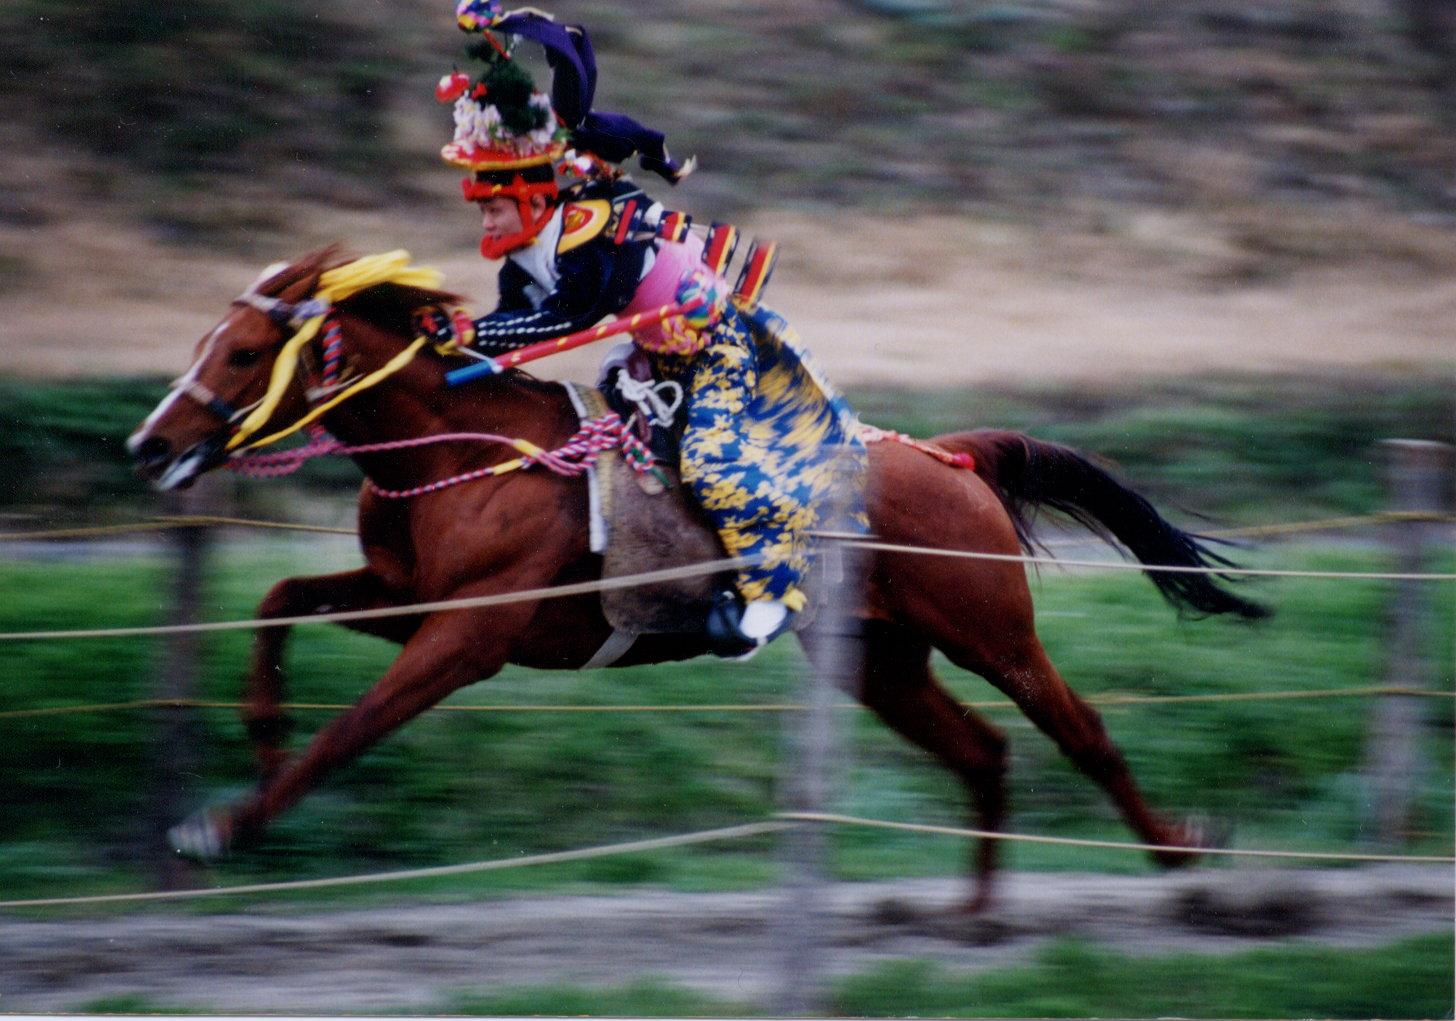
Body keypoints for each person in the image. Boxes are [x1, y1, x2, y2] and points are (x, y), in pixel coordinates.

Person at [418, 3, 865, 654]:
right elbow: (515, 321)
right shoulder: (525, 252)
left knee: (711, 464)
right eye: (482, 208)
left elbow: (568, 317)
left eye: (494, 207)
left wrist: (478, 336)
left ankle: (770, 596)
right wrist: (461, 331)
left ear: (534, 197)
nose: (485, 221)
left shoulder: (593, 231)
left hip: (714, 351)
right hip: (648, 359)